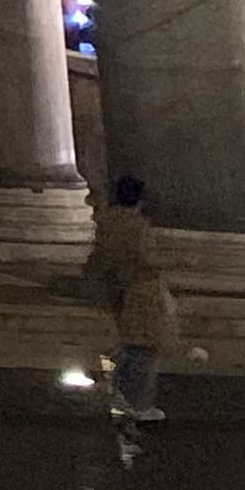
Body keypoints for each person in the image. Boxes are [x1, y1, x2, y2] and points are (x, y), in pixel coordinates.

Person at [79, 171, 177, 422]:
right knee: (143, 348)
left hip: (120, 289)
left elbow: (102, 258)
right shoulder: (135, 226)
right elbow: (146, 260)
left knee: (133, 346)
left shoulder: (108, 223)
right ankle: (136, 404)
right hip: (140, 291)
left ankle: (123, 398)